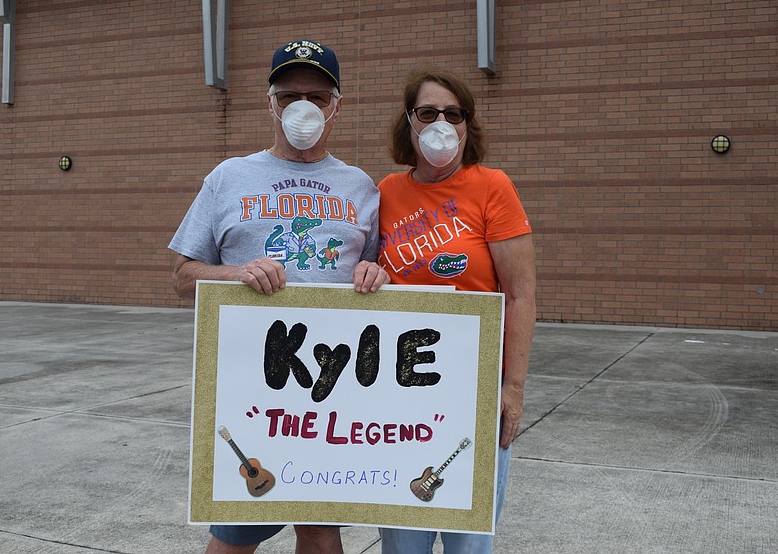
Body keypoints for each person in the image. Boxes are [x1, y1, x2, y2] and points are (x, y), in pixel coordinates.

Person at [169, 39, 388, 554]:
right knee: (234, 531)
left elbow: (378, 270)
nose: (304, 107)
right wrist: (235, 274)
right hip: (252, 392)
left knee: (320, 529)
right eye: (290, 95)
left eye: (317, 95)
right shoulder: (228, 177)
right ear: (269, 102)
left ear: (338, 106)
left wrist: (376, 273)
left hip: (333, 391)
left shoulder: (361, 187)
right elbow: (181, 276)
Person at [376, 67, 536, 554]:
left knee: (470, 541)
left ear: (468, 125)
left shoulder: (493, 187)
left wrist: (512, 387)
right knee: (403, 539)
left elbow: (520, 295)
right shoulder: (384, 192)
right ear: (409, 123)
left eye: (454, 113)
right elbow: (365, 276)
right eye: (428, 112)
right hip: (397, 390)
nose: (441, 123)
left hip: (473, 389)